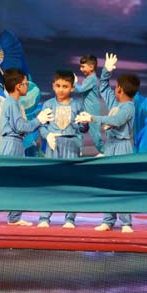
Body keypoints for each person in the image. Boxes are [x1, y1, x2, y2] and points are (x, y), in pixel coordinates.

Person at [0, 68, 54, 227]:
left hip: (17, 143)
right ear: (18, 86)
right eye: (25, 83)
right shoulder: (11, 103)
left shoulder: (15, 103)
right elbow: (20, 127)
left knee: (18, 181)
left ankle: (14, 217)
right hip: (11, 143)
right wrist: (39, 120)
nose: (27, 86)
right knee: (4, 180)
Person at [83, 53, 140, 233]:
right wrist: (106, 71)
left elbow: (116, 120)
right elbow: (103, 87)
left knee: (122, 183)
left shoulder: (129, 107)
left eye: (117, 87)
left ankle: (126, 223)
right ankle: (108, 220)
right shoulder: (114, 101)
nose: (114, 89)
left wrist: (93, 117)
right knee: (108, 182)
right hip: (111, 145)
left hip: (123, 146)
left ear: (120, 89)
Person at [37, 70, 86, 228]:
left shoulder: (77, 105)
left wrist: (84, 123)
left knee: (71, 182)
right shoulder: (48, 104)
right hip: (54, 145)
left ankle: (70, 218)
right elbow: (42, 126)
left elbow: (83, 128)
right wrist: (48, 136)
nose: (61, 89)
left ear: (72, 88)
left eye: (65, 86)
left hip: (71, 145)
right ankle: (44, 217)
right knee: (49, 182)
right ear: (53, 86)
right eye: (58, 85)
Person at [75, 54, 104, 154]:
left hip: (92, 109)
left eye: (83, 66)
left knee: (94, 133)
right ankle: (78, 150)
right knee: (77, 128)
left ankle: (103, 151)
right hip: (84, 108)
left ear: (91, 67)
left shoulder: (92, 79)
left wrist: (74, 82)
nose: (81, 69)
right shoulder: (88, 78)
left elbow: (80, 89)